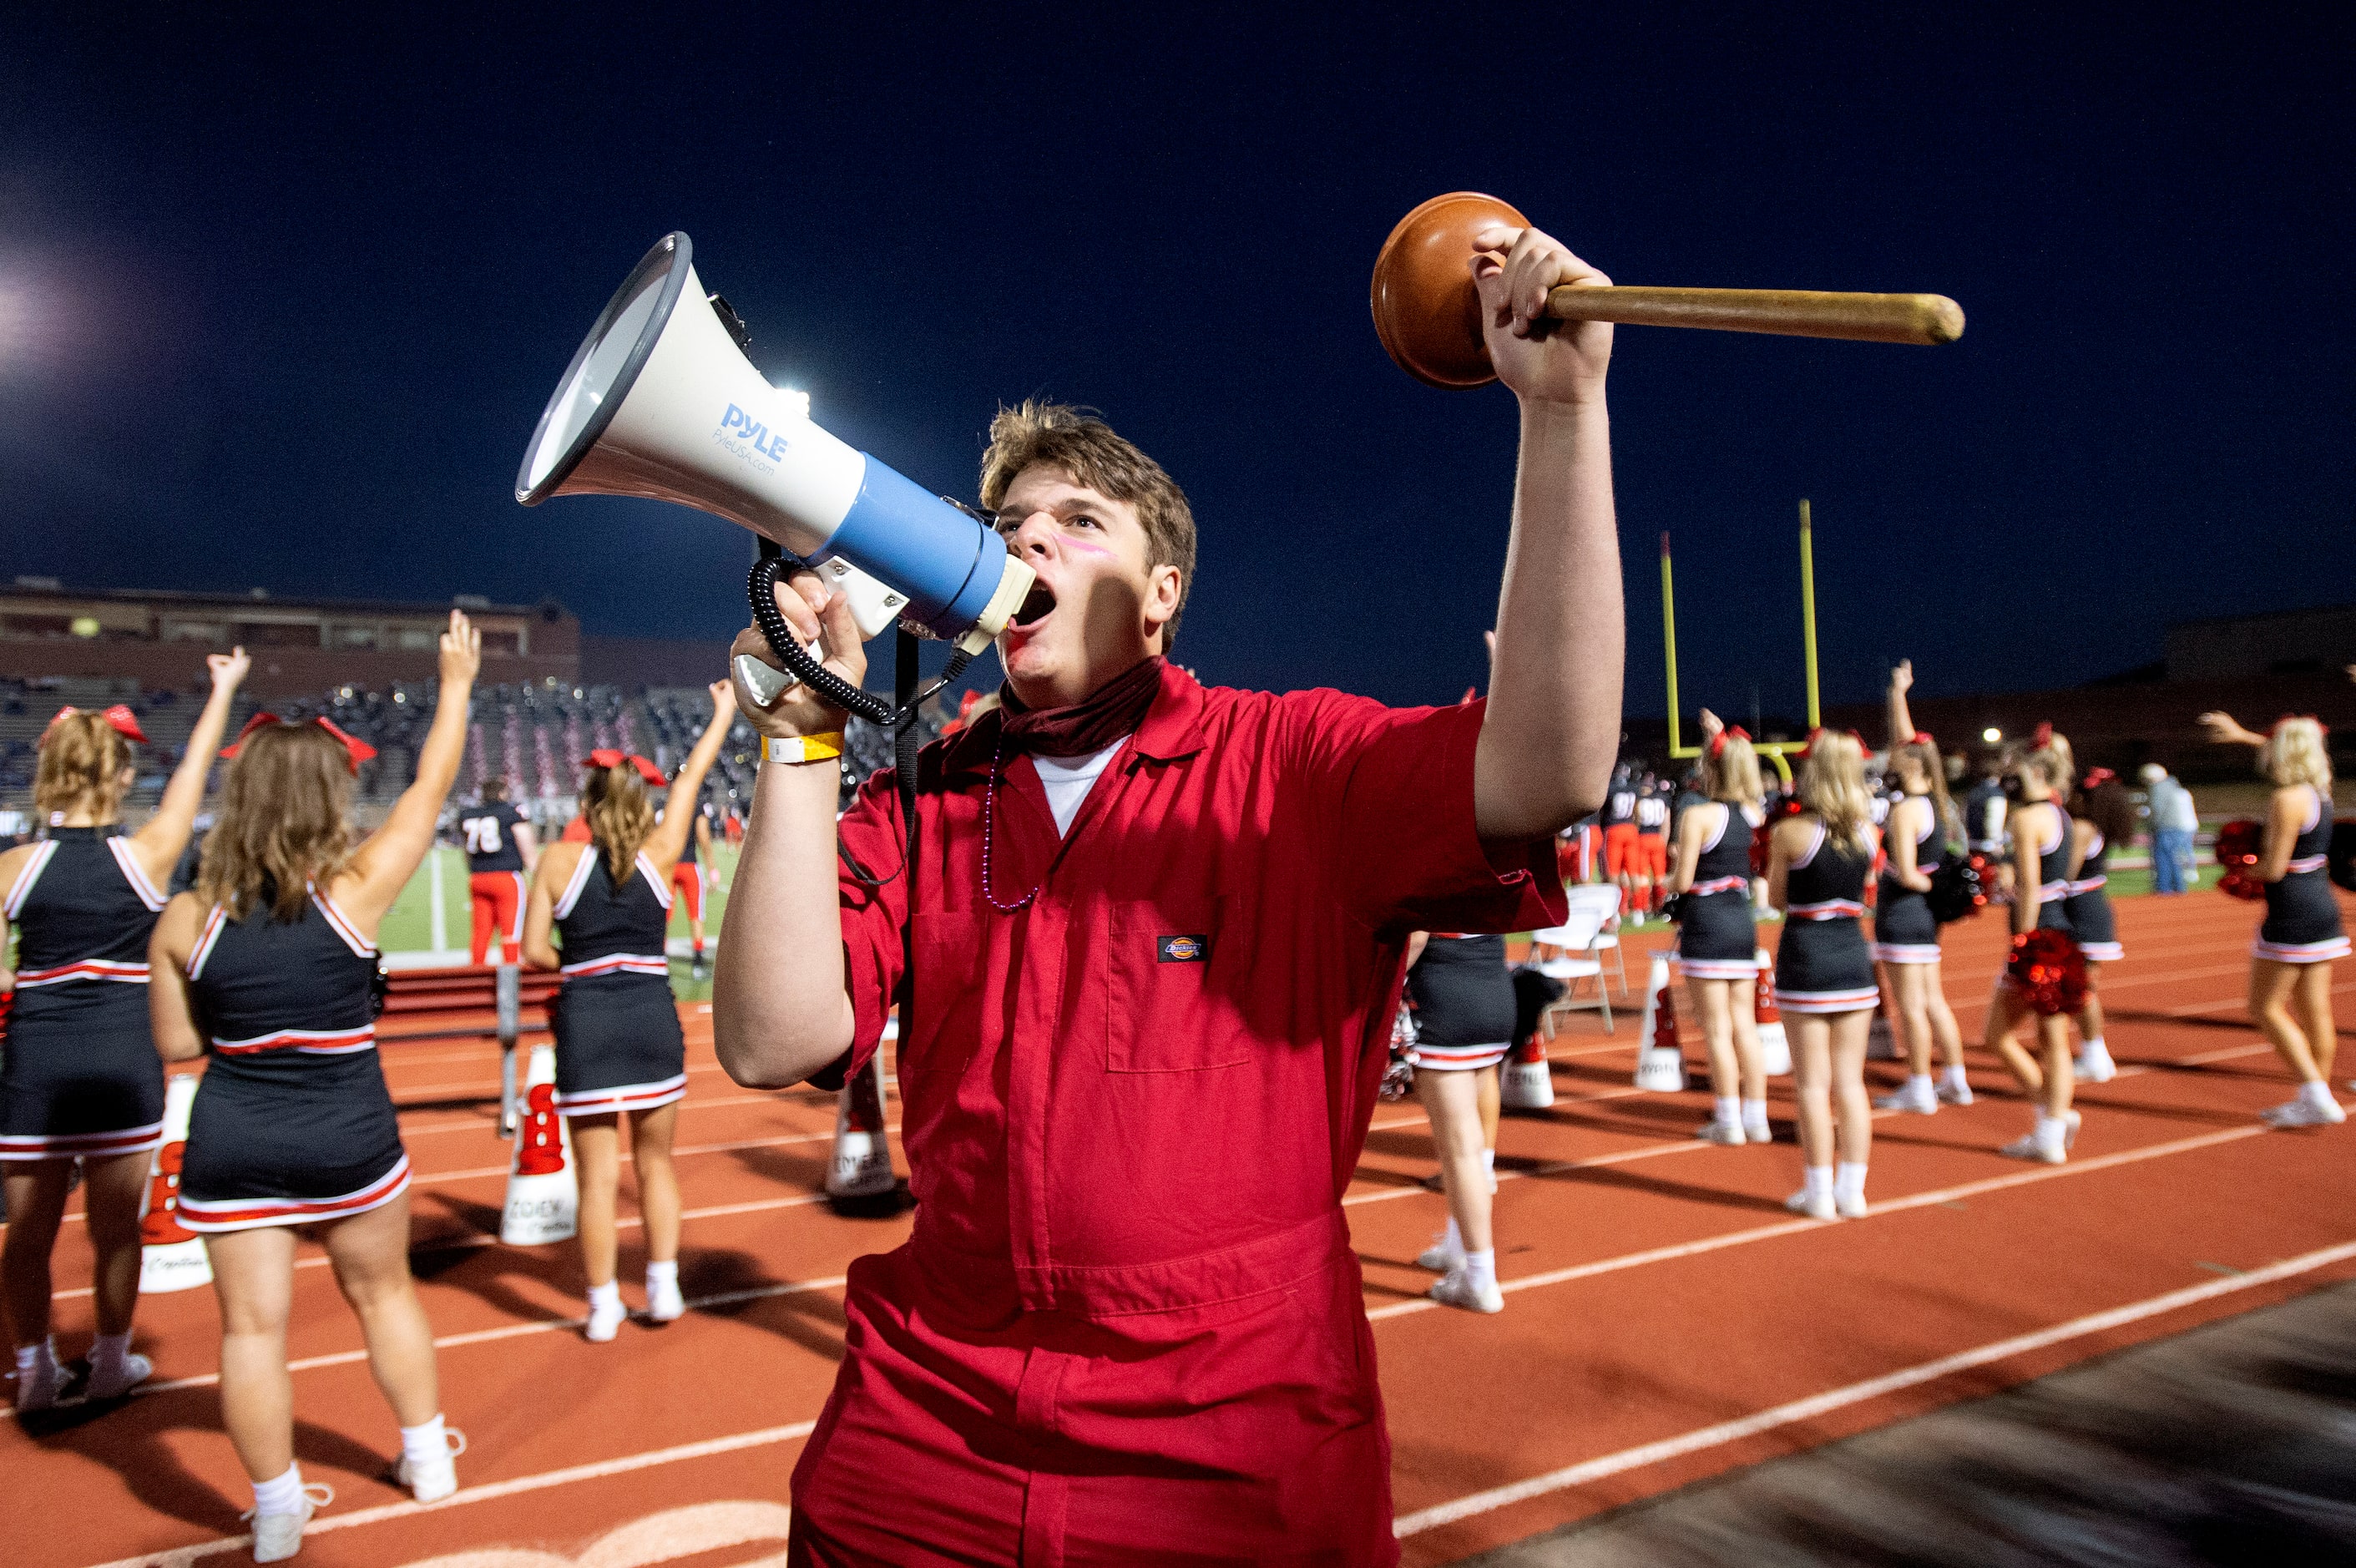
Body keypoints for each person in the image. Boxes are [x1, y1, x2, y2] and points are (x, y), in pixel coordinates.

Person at [711, 215, 1616, 1565]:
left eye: (1080, 521)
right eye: (1009, 523)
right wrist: (797, 727)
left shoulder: (1295, 761)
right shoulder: (926, 798)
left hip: (1229, 1459)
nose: (1032, 542)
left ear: (1160, 595)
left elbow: (1547, 769)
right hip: (924, 1439)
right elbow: (776, 1037)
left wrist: (1560, 415)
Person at [148, 611, 481, 1560]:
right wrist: (454, 686)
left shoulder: (182, 919)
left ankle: (277, 1510)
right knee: (386, 1297)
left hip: (235, 1134)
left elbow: (178, 1044)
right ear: (330, 794)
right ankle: (426, 1460)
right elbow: (427, 790)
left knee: (250, 1332)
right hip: (349, 1132)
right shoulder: (358, 888)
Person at [1, 655, 248, 1411]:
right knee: (117, 1233)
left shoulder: (10, 867)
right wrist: (223, 690)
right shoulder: (148, 855)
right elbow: (197, 769)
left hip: (33, 1064)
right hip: (121, 1060)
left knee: (26, 1236)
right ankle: (110, 1362)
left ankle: (36, 1371)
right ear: (118, 778)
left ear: (49, 776)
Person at [523, 685, 736, 1341]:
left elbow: (532, 950)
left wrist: (581, 968)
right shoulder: (661, 852)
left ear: (586, 805)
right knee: (656, 1164)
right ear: (639, 802)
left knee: (594, 1179)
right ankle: (664, 1288)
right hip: (649, 1015)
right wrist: (723, 712)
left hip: (586, 1022)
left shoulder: (557, 862)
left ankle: (602, 1307)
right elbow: (694, 776)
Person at [2198, 711, 2346, 1125]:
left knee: (2264, 1007)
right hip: (2322, 906)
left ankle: (2314, 1094)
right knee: (2315, 1009)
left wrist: (2238, 869)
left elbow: (2274, 868)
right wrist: (2242, 734)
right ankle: (2314, 1096)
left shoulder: (2286, 798)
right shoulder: (2322, 792)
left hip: (2292, 910)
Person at [1767, 731, 1882, 1219]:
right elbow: (1868, 887)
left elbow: (1775, 900)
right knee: (1850, 1083)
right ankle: (1852, 1191)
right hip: (1854, 955)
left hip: (1806, 956)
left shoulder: (1790, 833)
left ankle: (1818, 1193)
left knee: (1813, 1084)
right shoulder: (1868, 832)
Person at [1870, 661, 1970, 1114]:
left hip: (1904, 912)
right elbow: (1903, 736)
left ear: (1909, 763)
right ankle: (1956, 1079)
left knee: (1910, 1006)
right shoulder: (1934, 799)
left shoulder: (1907, 809)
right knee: (1933, 1001)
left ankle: (1919, 1085)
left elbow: (1909, 874)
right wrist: (1898, 694)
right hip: (1923, 918)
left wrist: (1879, 871)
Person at [1402, 929, 1515, 1312]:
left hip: (1443, 1001)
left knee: (1458, 1151)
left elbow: (1416, 938)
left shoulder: (1426, 865)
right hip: (1496, 991)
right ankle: (1457, 1245)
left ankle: (1480, 1279)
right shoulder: (1498, 864)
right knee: (1472, 1149)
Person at [1981, 732, 2080, 1163]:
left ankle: (2052, 1120)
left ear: (2036, 772)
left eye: (2015, 772)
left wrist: (2023, 942)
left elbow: (2031, 889)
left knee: (1997, 1035)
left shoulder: (2025, 819)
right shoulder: (2063, 815)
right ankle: (2053, 1126)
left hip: (2039, 935)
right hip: (2064, 931)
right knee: (2053, 1040)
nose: (2009, 779)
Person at [1673, 711, 1769, 1145]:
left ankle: (1728, 1120)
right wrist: (1717, 740)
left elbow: (1683, 880)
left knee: (1715, 1029)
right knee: (1744, 1025)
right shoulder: (1753, 815)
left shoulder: (1699, 816)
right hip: (1741, 921)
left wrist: (1670, 883)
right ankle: (1757, 1117)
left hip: (1707, 922)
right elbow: (1735, 762)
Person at [2064, 767, 2136, 1082]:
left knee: (2082, 991)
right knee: (2082, 990)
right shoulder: (2094, 827)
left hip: (2081, 911)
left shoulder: (2082, 828)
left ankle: (2095, 1056)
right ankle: (2096, 1055)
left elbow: (2064, 874)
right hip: (2090, 907)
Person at [458, 776, 538, 967]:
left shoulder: (469, 814)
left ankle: (476, 976)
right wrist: (537, 873)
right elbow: (525, 844)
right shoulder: (510, 813)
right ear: (502, 793)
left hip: (477, 877)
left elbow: (467, 851)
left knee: (481, 933)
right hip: (506, 877)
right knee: (511, 932)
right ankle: (512, 979)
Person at [662, 788, 717, 980]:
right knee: (696, 914)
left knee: (664, 914)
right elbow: (703, 836)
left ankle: (659, 960)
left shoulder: (665, 805)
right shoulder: (695, 805)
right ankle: (698, 963)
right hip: (689, 865)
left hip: (668, 866)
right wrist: (712, 868)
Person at [2141, 761, 2197, 895]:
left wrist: (2152, 825)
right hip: (2176, 827)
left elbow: (2157, 809)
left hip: (2167, 827)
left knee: (2164, 858)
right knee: (2173, 857)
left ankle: (2164, 888)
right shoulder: (2172, 785)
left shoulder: (2159, 787)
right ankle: (2178, 887)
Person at [1601, 761, 1643, 910]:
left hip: (1613, 829)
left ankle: (1614, 910)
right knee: (1633, 872)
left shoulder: (1610, 788)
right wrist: (1635, 828)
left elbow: (1602, 812)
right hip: (1630, 829)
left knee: (1612, 872)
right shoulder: (1633, 788)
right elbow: (1638, 813)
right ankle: (1638, 909)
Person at [1634, 770, 1673, 916]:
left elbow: (1636, 820)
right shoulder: (1662, 799)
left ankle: (1640, 909)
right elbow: (1666, 823)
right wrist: (1664, 841)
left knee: (1642, 876)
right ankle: (1660, 906)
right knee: (1659, 876)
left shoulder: (1639, 799)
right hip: (1657, 838)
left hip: (1642, 838)